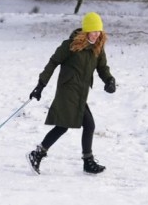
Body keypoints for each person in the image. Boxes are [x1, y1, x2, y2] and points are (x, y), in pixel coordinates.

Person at [27, 12, 116, 175]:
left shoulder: (97, 47)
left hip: (81, 93)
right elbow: (53, 63)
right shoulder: (70, 45)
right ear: (86, 30)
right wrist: (41, 85)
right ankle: (39, 154)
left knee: (74, 126)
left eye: (99, 31)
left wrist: (109, 80)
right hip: (67, 91)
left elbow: (102, 68)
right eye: (94, 31)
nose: (97, 34)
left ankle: (41, 154)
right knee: (71, 125)